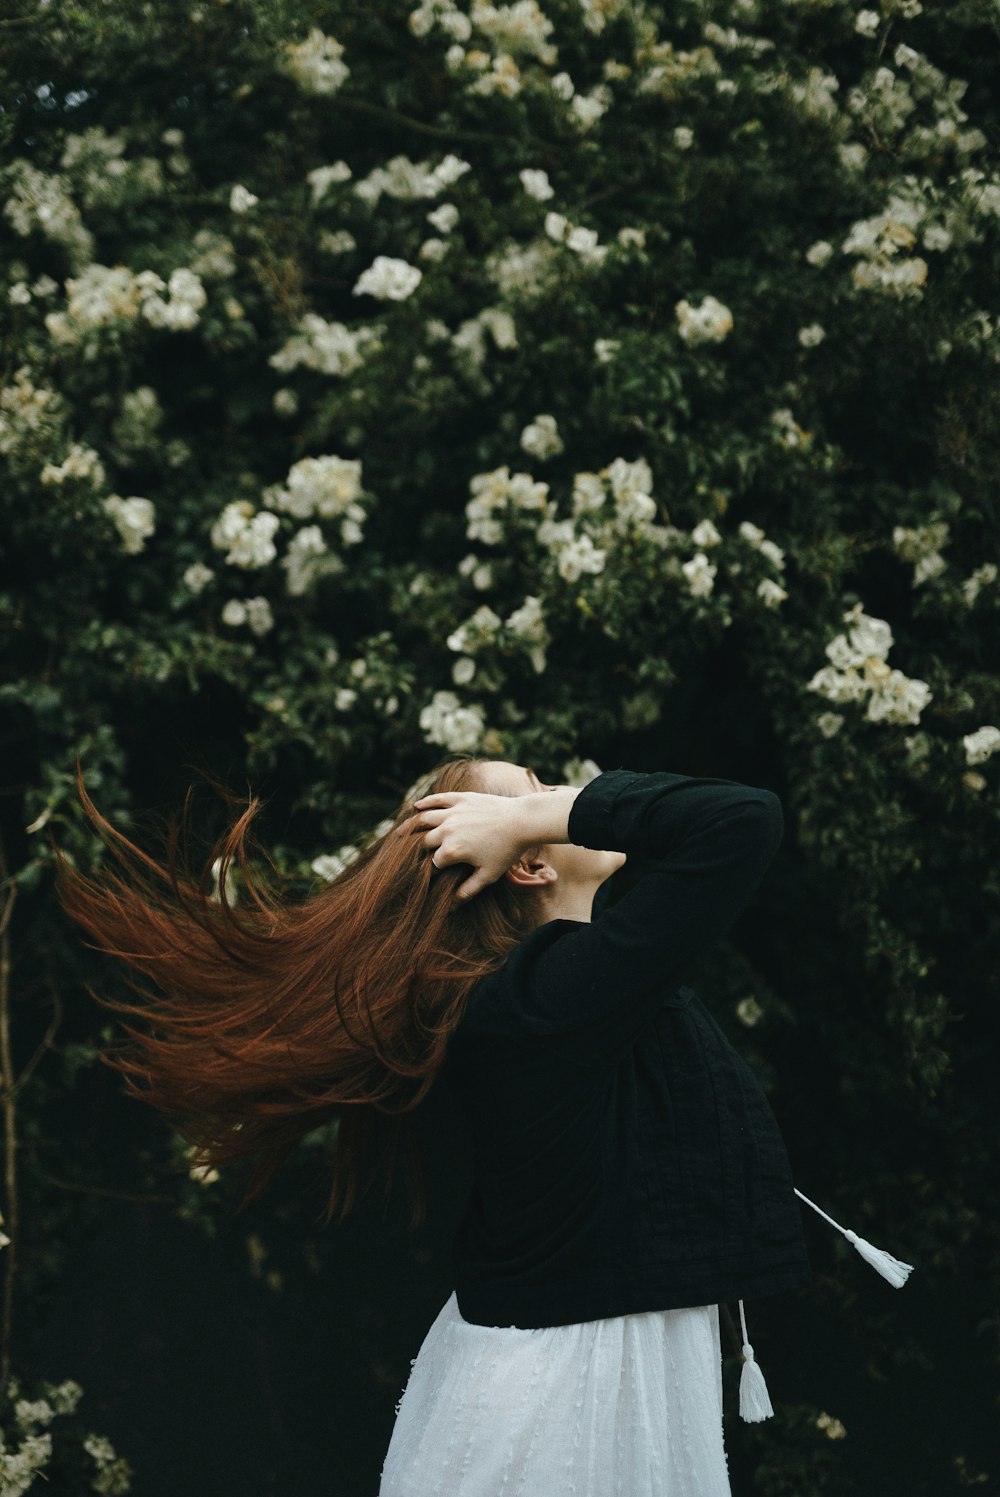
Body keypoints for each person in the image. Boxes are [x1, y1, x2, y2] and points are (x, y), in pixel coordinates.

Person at [55, 752, 910, 1496]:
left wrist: (526, 815)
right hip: (564, 1404)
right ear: (527, 863)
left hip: (558, 1387)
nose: (558, 791)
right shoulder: (544, 999)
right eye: (527, 793)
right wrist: (536, 816)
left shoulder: (551, 993)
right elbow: (741, 818)